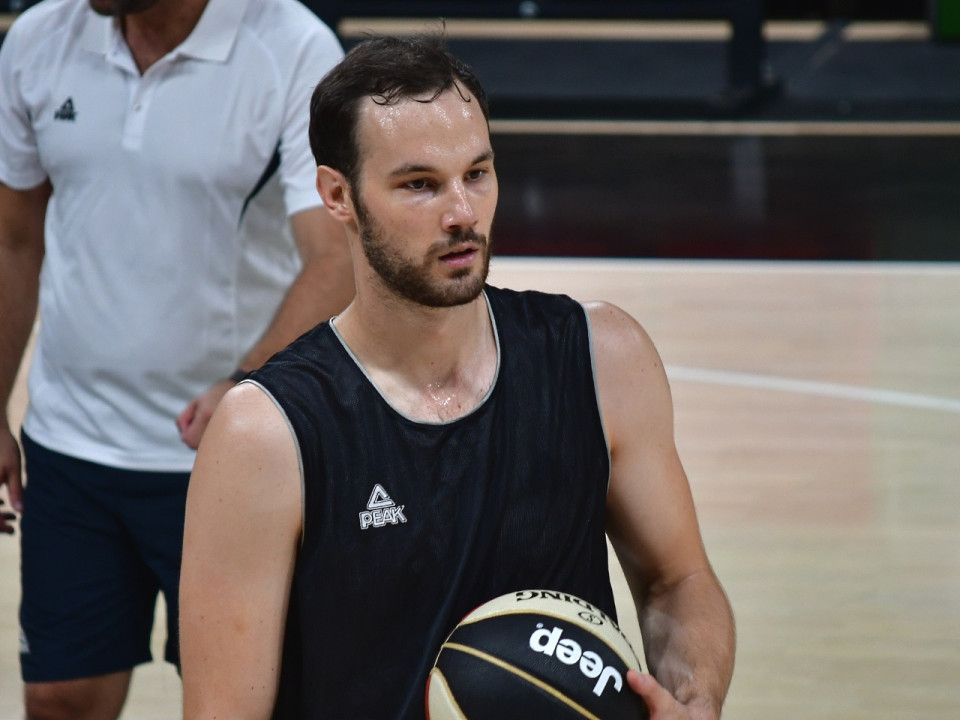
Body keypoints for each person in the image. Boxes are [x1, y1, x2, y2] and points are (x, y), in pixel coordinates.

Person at [179, 33, 736, 720]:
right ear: (337, 196)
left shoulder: (601, 358)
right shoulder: (265, 433)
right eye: (419, 184)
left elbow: (677, 580)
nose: (463, 215)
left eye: (477, 173)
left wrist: (694, 699)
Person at [0, 0, 354, 717]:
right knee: (60, 699)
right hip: (72, 450)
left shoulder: (293, 48)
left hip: (233, 461)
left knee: (237, 703)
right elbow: (14, 238)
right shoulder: (40, 38)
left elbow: (336, 256)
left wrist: (248, 384)